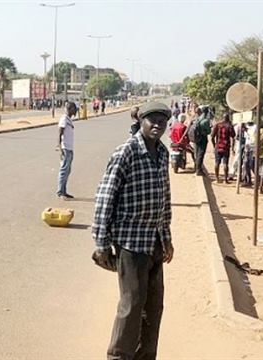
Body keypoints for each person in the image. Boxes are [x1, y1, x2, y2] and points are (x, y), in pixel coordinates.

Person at [92, 101, 174, 359]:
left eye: (162, 120)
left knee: (154, 307)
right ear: (141, 121)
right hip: (131, 242)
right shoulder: (125, 152)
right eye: (153, 120)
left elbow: (165, 198)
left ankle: (145, 356)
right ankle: (118, 356)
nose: (158, 125)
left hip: (155, 243)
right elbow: (105, 198)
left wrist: (168, 238)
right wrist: (101, 243)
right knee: (131, 305)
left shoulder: (162, 153)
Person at [56, 102, 77, 200]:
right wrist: (59, 146)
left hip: (70, 148)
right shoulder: (64, 119)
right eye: (74, 109)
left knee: (67, 171)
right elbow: (60, 132)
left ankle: (64, 191)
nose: (75, 110)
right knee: (64, 170)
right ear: (71, 109)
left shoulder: (68, 119)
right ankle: (60, 192)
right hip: (65, 148)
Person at [211, 112, 236, 183]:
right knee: (225, 163)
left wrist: (214, 145)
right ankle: (225, 180)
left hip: (218, 146)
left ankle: (217, 179)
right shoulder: (229, 126)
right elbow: (233, 136)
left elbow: (212, 137)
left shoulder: (217, 125)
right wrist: (232, 148)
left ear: (222, 117)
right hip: (226, 147)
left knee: (217, 163)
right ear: (228, 118)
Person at [193, 107, 211, 176]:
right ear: (207, 112)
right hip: (203, 138)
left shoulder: (198, 118)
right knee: (201, 154)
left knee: (197, 153)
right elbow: (208, 132)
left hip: (197, 137)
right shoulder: (206, 120)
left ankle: (196, 168)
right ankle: (198, 170)